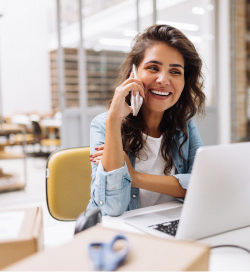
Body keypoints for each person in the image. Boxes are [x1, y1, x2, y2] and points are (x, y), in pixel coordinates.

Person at [87, 24, 206, 216]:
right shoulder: (104, 124)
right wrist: (113, 120)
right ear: (133, 74)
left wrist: (134, 177)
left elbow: (201, 187)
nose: (163, 79)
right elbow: (112, 208)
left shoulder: (183, 125)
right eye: (153, 68)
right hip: (122, 233)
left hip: (168, 226)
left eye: (175, 72)